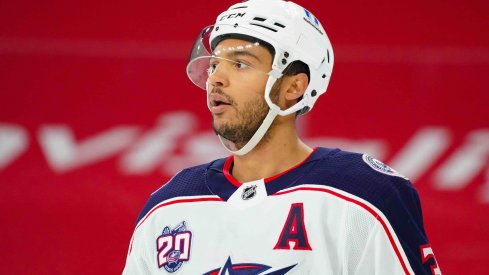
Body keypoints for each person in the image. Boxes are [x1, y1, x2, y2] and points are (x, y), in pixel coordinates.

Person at [123, 0, 441, 274]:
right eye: (215, 64)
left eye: (239, 63)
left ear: (293, 87)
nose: (216, 78)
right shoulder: (168, 205)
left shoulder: (365, 195)